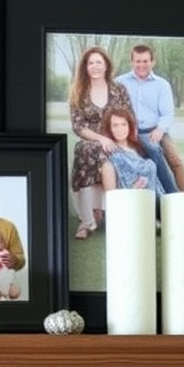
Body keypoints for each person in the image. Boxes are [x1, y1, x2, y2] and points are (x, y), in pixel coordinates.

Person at [116, 43, 184, 247]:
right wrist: (130, 131)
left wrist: (159, 130)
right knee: (153, 152)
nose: (141, 65)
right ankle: (176, 203)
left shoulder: (161, 84)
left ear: (152, 61)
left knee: (174, 158)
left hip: (157, 131)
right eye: (137, 61)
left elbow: (167, 114)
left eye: (145, 61)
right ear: (132, 61)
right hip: (129, 133)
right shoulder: (120, 83)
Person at [68, 46, 131, 240]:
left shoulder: (118, 89)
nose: (94, 66)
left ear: (106, 66)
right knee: (87, 152)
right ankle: (87, 220)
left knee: (110, 154)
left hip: (117, 136)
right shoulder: (78, 91)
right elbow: (78, 126)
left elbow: (128, 117)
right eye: (90, 63)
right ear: (85, 67)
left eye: (98, 62)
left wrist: (116, 138)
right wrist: (101, 139)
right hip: (91, 139)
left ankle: (112, 212)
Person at [99, 105, 165, 194]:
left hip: (155, 200)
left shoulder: (138, 149)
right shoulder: (111, 157)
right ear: (109, 128)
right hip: (133, 203)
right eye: (115, 125)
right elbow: (113, 200)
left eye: (124, 124)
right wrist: (134, 189)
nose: (120, 129)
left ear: (129, 126)